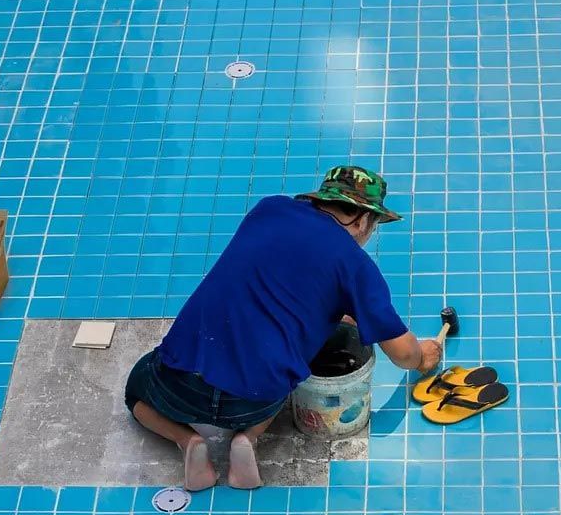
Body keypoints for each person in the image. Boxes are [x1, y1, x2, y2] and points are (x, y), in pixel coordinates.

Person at [124, 166, 442, 490]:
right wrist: (423, 358)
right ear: (363, 220)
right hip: (253, 401)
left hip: (182, 379)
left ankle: (188, 442)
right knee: (288, 369)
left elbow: (282, 275)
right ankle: (246, 439)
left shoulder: (269, 209)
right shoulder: (356, 266)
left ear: (321, 200)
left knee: (136, 390)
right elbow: (402, 353)